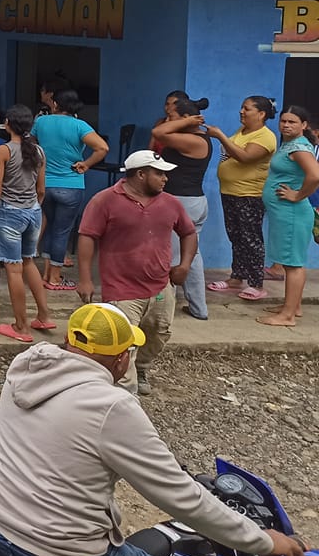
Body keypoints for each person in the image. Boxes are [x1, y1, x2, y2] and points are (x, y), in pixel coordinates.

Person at [0, 303, 305, 556]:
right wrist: (261, 540)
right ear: (123, 359)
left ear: (69, 340)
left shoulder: (27, 366)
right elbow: (180, 497)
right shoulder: (110, 406)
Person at [76, 150, 197, 396]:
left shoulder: (170, 203)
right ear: (140, 174)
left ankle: (141, 367)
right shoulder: (105, 200)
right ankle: (124, 394)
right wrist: (85, 279)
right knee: (123, 341)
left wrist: (184, 265)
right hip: (121, 289)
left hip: (160, 285)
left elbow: (188, 232)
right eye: (159, 173)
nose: (165, 179)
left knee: (159, 332)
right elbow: (88, 236)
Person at [0, 105, 54, 343]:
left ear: (7, 123)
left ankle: (21, 326)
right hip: (33, 212)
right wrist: (34, 205)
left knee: (13, 269)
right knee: (28, 262)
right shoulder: (39, 151)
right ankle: (43, 315)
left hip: (11, 214)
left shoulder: (3, 150)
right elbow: (41, 190)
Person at [33, 86, 108, 290]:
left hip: (45, 184)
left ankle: (47, 274)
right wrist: (86, 164)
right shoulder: (80, 126)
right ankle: (55, 278)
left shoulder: (41, 121)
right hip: (71, 185)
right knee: (62, 231)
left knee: (49, 229)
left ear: (55, 103)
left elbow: (31, 144)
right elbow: (102, 148)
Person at [206, 95, 278, 299]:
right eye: (241, 108)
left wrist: (220, 135)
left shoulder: (265, 136)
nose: (241, 112)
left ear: (261, 114)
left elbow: (245, 157)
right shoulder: (244, 130)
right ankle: (237, 277)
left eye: (247, 109)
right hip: (230, 192)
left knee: (251, 238)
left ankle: (256, 283)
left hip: (249, 195)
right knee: (236, 236)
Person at [151, 95, 214, 319]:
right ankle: (198, 308)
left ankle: (162, 309)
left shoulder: (196, 139)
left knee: (172, 256)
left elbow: (158, 133)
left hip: (182, 202)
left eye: (173, 117)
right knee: (191, 254)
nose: (168, 121)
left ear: (187, 119)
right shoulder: (193, 138)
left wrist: (187, 122)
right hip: (191, 202)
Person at [257, 105, 319, 327]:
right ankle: (293, 306)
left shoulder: (300, 147)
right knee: (290, 262)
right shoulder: (290, 145)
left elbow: (315, 175)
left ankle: (288, 316)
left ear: (303, 125)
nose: (286, 125)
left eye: (292, 121)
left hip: (292, 214)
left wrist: (298, 195)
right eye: (283, 121)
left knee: (293, 264)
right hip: (285, 214)